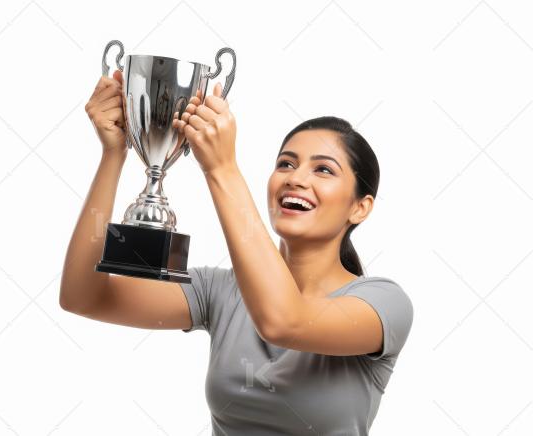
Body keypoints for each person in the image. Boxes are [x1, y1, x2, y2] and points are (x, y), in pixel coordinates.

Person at [59, 71, 414, 435]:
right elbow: (84, 296)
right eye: (286, 164)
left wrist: (222, 168)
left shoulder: (384, 303)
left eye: (323, 169)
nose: (295, 178)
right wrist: (114, 153)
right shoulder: (218, 291)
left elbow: (283, 321)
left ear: (361, 207)